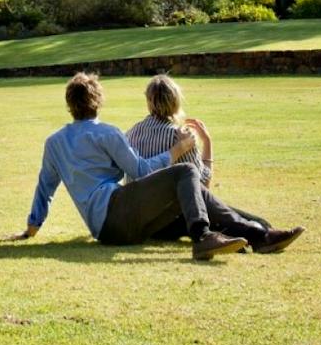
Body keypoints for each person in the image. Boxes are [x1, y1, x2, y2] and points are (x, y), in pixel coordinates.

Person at [16, 72, 298, 261]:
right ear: (98, 101)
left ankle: (259, 234)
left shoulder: (54, 142)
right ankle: (203, 237)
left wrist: (32, 228)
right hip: (117, 212)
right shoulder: (108, 133)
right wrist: (176, 151)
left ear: (70, 105)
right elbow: (139, 171)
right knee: (187, 172)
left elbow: (45, 187)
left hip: (107, 230)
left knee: (190, 192)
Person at [125, 74, 303, 254]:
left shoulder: (131, 133)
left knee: (222, 214)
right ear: (176, 101)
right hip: (171, 219)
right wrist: (207, 143)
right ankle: (262, 234)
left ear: (148, 101)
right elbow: (202, 187)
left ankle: (260, 234)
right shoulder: (179, 137)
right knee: (221, 214)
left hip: (143, 219)